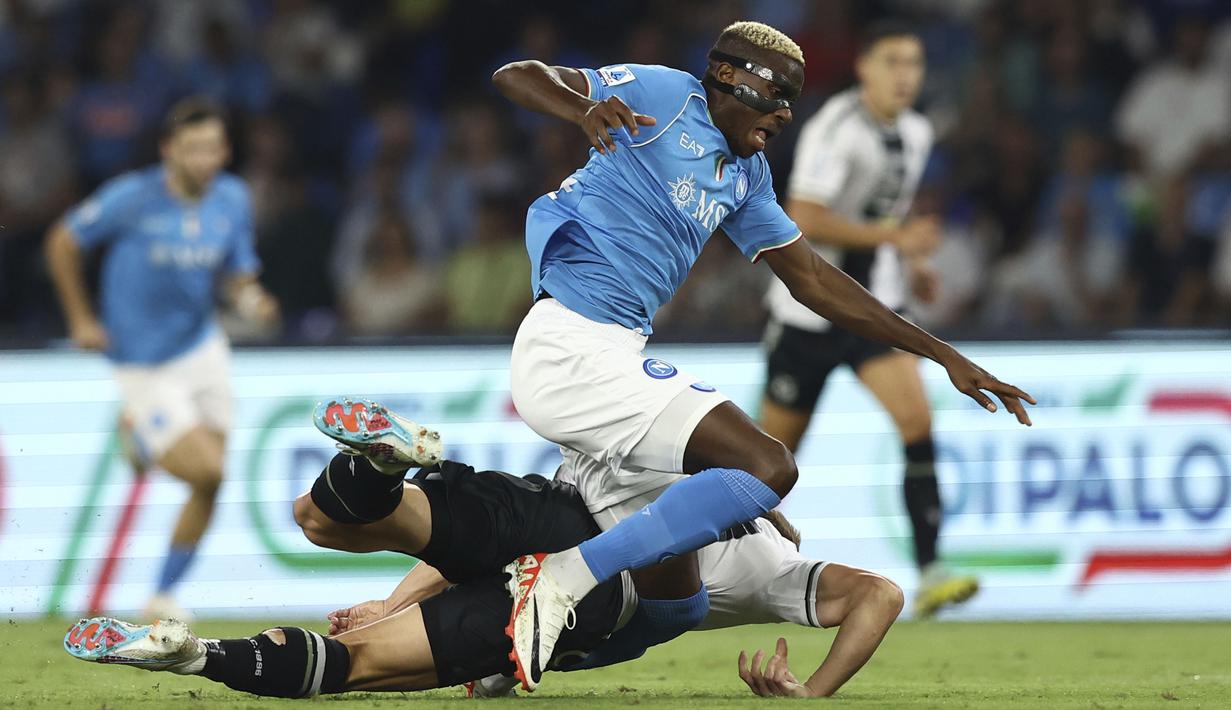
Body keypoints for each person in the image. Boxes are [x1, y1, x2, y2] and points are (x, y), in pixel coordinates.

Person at [490, 20, 1034, 689]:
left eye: (791, 100)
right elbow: (515, 75)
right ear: (726, 78)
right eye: (775, 93)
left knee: (676, 594)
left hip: (610, 354)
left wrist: (939, 351)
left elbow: (814, 280)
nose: (783, 112)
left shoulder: (745, 177)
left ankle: (490, 653)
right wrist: (582, 106)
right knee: (766, 464)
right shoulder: (663, 96)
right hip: (569, 344)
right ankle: (565, 577)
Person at [64, 398, 902, 700]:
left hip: (548, 514)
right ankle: (193, 658)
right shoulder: (756, 555)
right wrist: (813, 696)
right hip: (580, 600)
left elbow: (878, 597)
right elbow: (879, 595)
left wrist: (401, 594)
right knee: (351, 664)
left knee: (328, 521)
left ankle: (373, 467)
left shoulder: (618, 449)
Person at [760, 21, 972, 617]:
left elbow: (886, 216)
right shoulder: (836, 127)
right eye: (893, 61)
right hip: (806, 316)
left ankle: (931, 570)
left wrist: (905, 257)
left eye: (915, 63)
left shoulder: (917, 132)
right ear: (864, 68)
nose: (906, 75)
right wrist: (896, 235)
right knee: (768, 464)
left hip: (871, 313)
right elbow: (802, 214)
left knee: (918, 424)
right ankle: (714, 563)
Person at [45, 96, 279, 620]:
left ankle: (162, 594)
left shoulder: (233, 198)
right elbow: (62, 241)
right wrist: (81, 319)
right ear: (168, 149)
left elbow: (237, 272)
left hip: (202, 347)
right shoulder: (132, 197)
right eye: (193, 149)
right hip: (142, 363)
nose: (205, 159)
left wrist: (251, 299)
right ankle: (137, 430)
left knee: (212, 479)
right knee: (207, 469)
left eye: (214, 148)